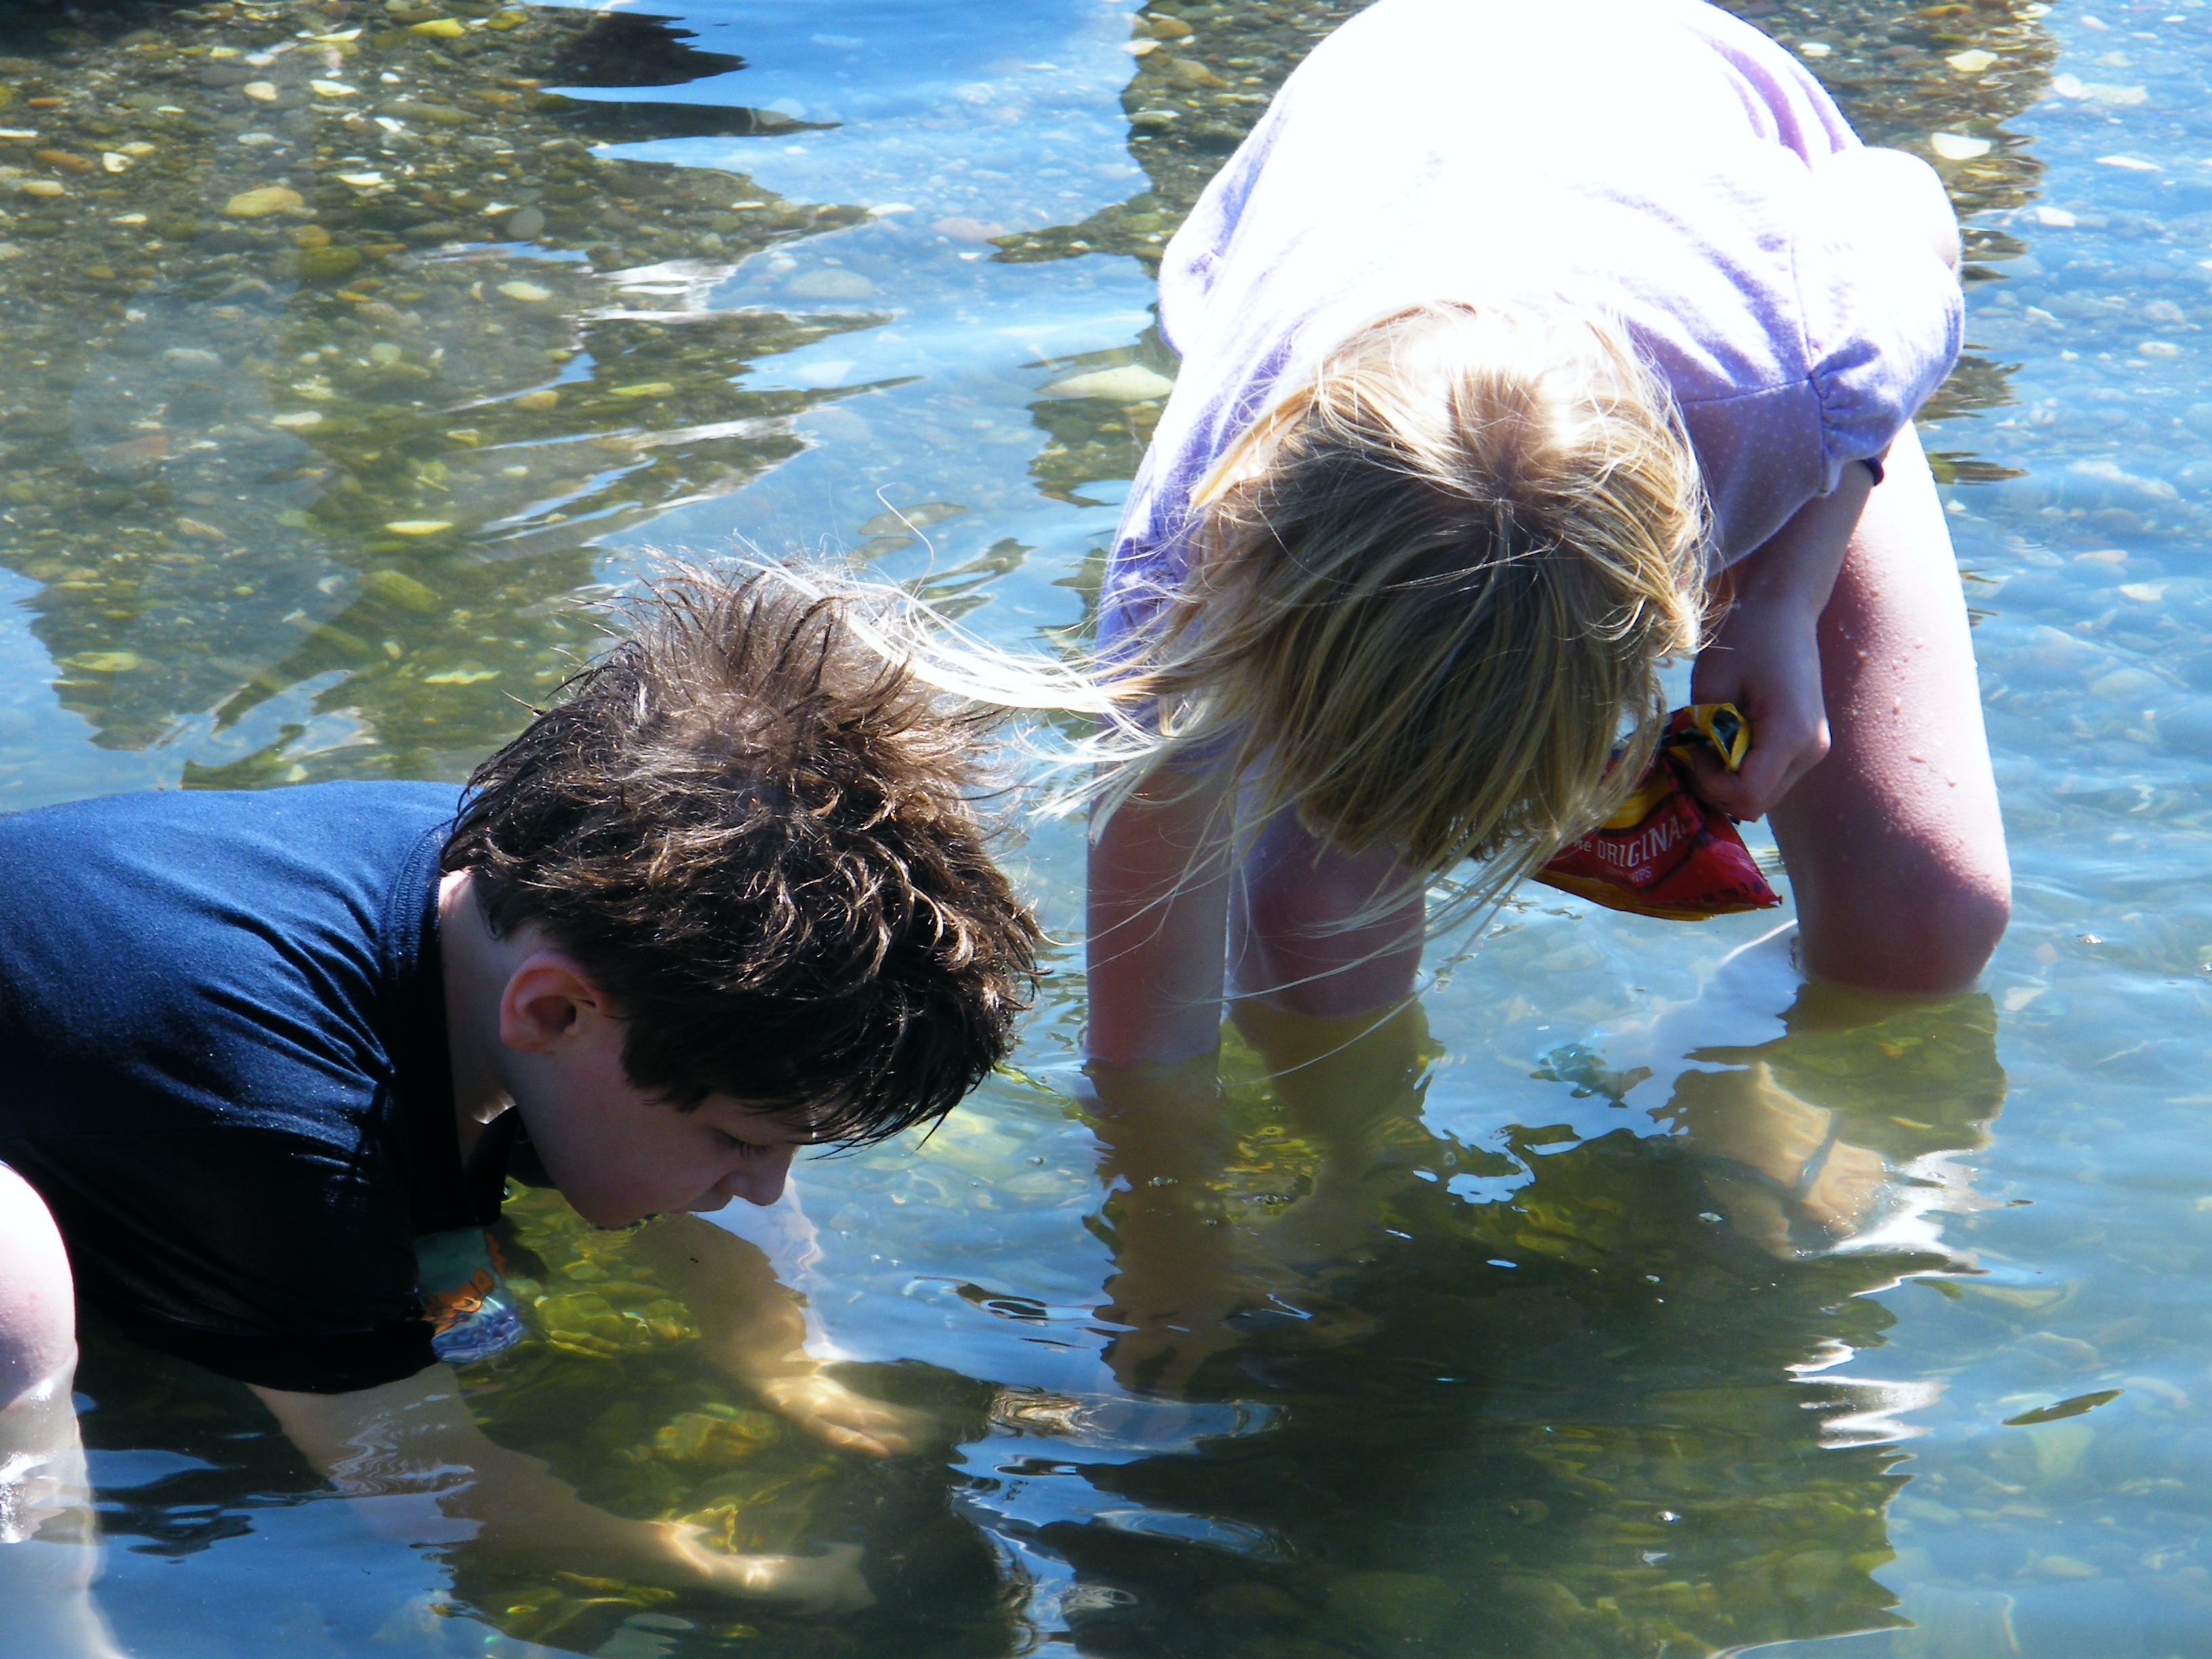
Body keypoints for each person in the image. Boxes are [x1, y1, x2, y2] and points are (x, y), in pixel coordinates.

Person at [0, 565, 1043, 1645]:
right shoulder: (288, 1138)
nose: (765, 1189)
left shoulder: (535, 879)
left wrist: (782, 1357)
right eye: (737, 1141)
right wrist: (735, 1573)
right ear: (550, 1014)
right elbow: (417, 1475)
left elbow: (708, 1142)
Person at [1083, 0, 2009, 1073]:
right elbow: (1140, 1055)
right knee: (1312, 906)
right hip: (1375, 130)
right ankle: (1347, 1143)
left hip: (1669, 121)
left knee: (1927, 922)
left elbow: (1908, 205)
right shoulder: (1187, 578)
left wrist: (1781, 600)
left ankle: (1704, 1068)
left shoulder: (1791, 366)